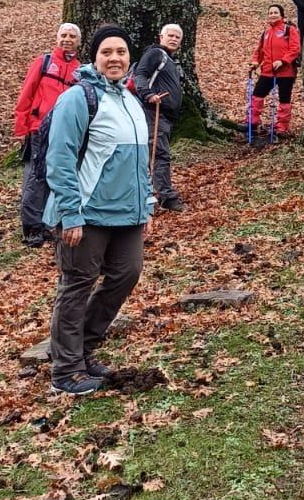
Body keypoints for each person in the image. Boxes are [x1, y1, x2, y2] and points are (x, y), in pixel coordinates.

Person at [44, 25, 154, 396]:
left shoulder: (131, 101)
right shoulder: (79, 98)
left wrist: (147, 205)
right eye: (106, 52)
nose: (115, 58)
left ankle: (84, 349)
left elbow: (140, 163)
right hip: (87, 214)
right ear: (95, 57)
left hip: (127, 215)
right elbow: (59, 159)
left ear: (129, 57)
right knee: (76, 286)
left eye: (121, 52)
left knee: (127, 273)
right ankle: (66, 369)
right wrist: (69, 213)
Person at [13, 23, 82, 245]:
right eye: (64, 35)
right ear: (57, 38)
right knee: (35, 177)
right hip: (38, 128)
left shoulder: (80, 70)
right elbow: (26, 94)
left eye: (72, 36)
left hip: (64, 131)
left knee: (56, 177)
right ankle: (31, 227)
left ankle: (45, 223)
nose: (67, 39)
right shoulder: (44, 63)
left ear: (78, 42)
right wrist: (21, 127)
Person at [135, 22, 185, 212]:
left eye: (177, 37)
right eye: (170, 35)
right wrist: (148, 95)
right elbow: (140, 74)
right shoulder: (156, 53)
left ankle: (154, 193)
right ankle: (165, 197)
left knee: (157, 153)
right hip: (154, 112)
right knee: (159, 154)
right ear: (161, 37)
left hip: (165, 116)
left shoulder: (170, 60)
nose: (173, 39)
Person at [247, 4, 301, 138]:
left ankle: (282, 127)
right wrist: (255, 62)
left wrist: (283, 61)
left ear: (281, 15)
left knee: (284, 98)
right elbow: (259, 51)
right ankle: (252, 121)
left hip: (286, 72)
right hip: (267, 71)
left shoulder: (289, 30)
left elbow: (295, 49)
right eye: (270, 12)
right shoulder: (266, 32)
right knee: (257, 94)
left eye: (275, 12)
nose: (272, 15)